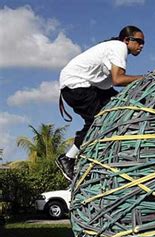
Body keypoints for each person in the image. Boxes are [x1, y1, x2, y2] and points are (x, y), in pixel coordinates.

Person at [56, 25, 145, 181]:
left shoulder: (113, 49)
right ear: (126, 40)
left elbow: (110, 84)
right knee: (99, 121)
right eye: (138, 41)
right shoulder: (119, 47)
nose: (141, 46)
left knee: (121, 107)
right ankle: (68, 158)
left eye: (143, 43)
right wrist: (145, 79)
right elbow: (118, 79)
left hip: (89, 86)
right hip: (76, 86)